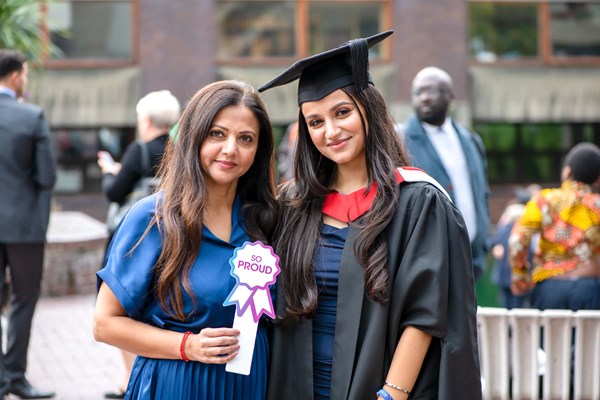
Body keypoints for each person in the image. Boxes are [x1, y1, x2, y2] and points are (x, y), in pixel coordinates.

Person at [258, 31, 481, 400]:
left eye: (342, 112)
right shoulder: (292, 206)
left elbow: (425, 314)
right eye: (315, 122)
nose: (330, 131)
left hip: (379, 389)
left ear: (368, 109)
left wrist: (392, 394)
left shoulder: (417, 202)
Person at [93, 80, 278, 399]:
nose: (230, 149)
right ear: (194, 137)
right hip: (179, 383)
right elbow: (105, 324)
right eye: (217, 134)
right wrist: (188, 346)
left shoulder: (265, 220)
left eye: (245, 138)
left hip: (249, 384)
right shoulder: (153, 218)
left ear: (258, 150)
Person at [97, 89, 181, 399]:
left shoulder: (138, 150)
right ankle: (128, 379)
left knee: (126, 307)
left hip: (136, 239)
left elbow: (115, 193)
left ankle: (130, 379)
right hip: (174, 235)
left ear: (145, 120)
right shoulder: (180, 148)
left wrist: (109, 174)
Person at [0, 50, 57, 399]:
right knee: (23, 299)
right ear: (17, 75)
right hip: (24, 228)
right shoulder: (31, 116)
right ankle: (14, 377)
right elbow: (48, 176)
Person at [401, 66, 490, 280]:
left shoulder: (470, 140)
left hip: (470, 258)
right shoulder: (399, 139)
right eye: (417, 92)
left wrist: (483, 242)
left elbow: (482, 193)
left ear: (450, 96)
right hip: (425, 262)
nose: (423, 98)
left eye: (430, 91)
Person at [509, 142, 600, 311]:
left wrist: (520, 278)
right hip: (591, 289)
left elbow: (517, 240)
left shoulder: (543, 200)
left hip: (549, 290)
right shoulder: (596, 205)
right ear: (597, 179)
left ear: (567, 172)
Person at [490, 185, 540, 309]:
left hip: (519, 272)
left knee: (516, 307)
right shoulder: (514, 221)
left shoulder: (526, 219)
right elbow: (497, 240)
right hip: (511, 272)